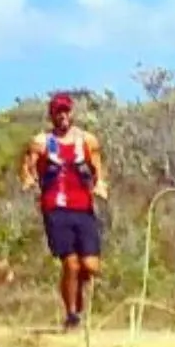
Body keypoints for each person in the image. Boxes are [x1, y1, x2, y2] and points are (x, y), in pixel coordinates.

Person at [20, 93, 108, 331]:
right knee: (70, 264)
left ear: (72, 112)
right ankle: (71, 314)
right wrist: (28, 179)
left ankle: (76, 300)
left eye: (66, 111)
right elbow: (28, 167)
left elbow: (98, 167)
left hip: (83, 207)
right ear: (51, 115)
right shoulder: (41, 141)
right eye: (58, 112)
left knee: (89, 266)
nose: (63, 116)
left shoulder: (87, 140)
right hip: (56, 207)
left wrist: (100, 184)